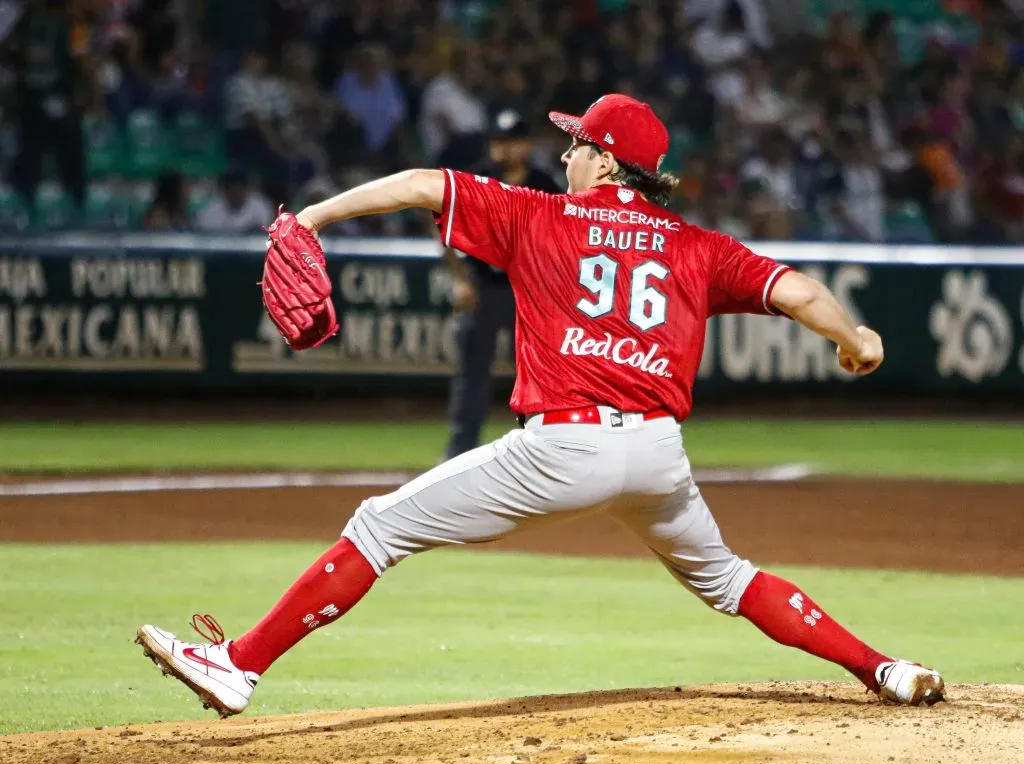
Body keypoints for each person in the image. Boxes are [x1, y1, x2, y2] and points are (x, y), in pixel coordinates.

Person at [136, 94, 944, 717]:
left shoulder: (540, 217)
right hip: (659, 458)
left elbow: (423, 185)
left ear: (603, 159)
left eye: (577, 142)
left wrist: (311, 216)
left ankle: (238, 664)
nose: (565, 154)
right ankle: (884, 668)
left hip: (564, 450)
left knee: (380, 526)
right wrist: (858, 338)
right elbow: (797, 290)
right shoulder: (696, 246)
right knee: (729, 580)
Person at [443, 109, 561, 460]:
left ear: (527, 145)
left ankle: (542, 449)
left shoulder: (544, 183)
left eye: (512, 141)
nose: (504, 149)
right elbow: (448, 235)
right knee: (471, 374)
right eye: (499, 141)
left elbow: (562, 240)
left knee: (537, 374)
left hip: (528, 292)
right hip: (483, 288)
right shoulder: (478, 180)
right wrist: (461, 280)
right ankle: (459, 453)